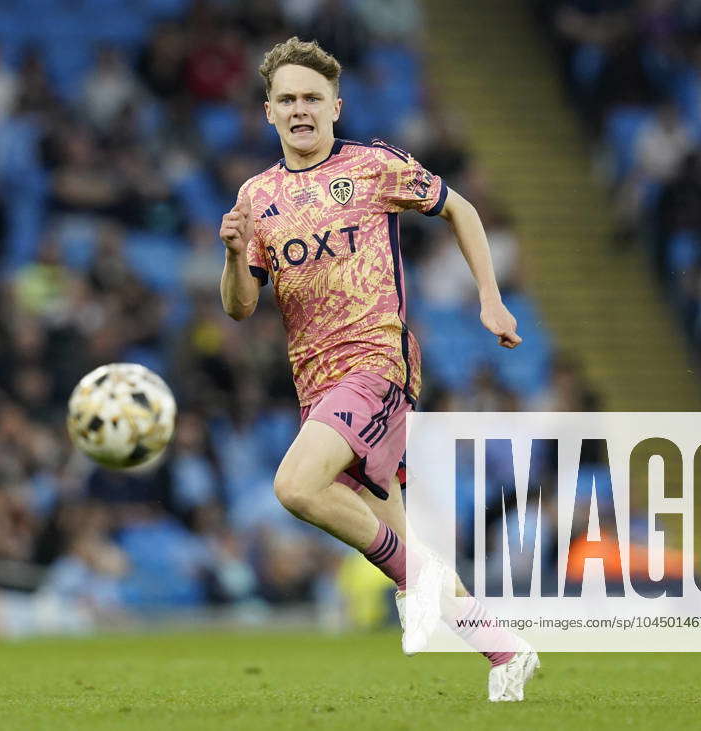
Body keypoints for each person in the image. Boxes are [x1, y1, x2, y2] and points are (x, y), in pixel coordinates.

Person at [218, 37, 538, 702]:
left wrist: (490, 298)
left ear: (336, 105)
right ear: (268, 113)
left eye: (312, 97)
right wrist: (230, 254)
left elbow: (461, 207)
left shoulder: (371, 166)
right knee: (397, 545)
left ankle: (422, 583)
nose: (300, 108)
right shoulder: (257, 196)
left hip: (376, 362)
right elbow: (242, 306)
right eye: (287, 100)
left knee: (296, 485)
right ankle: (506, 649)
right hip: (316, 381)